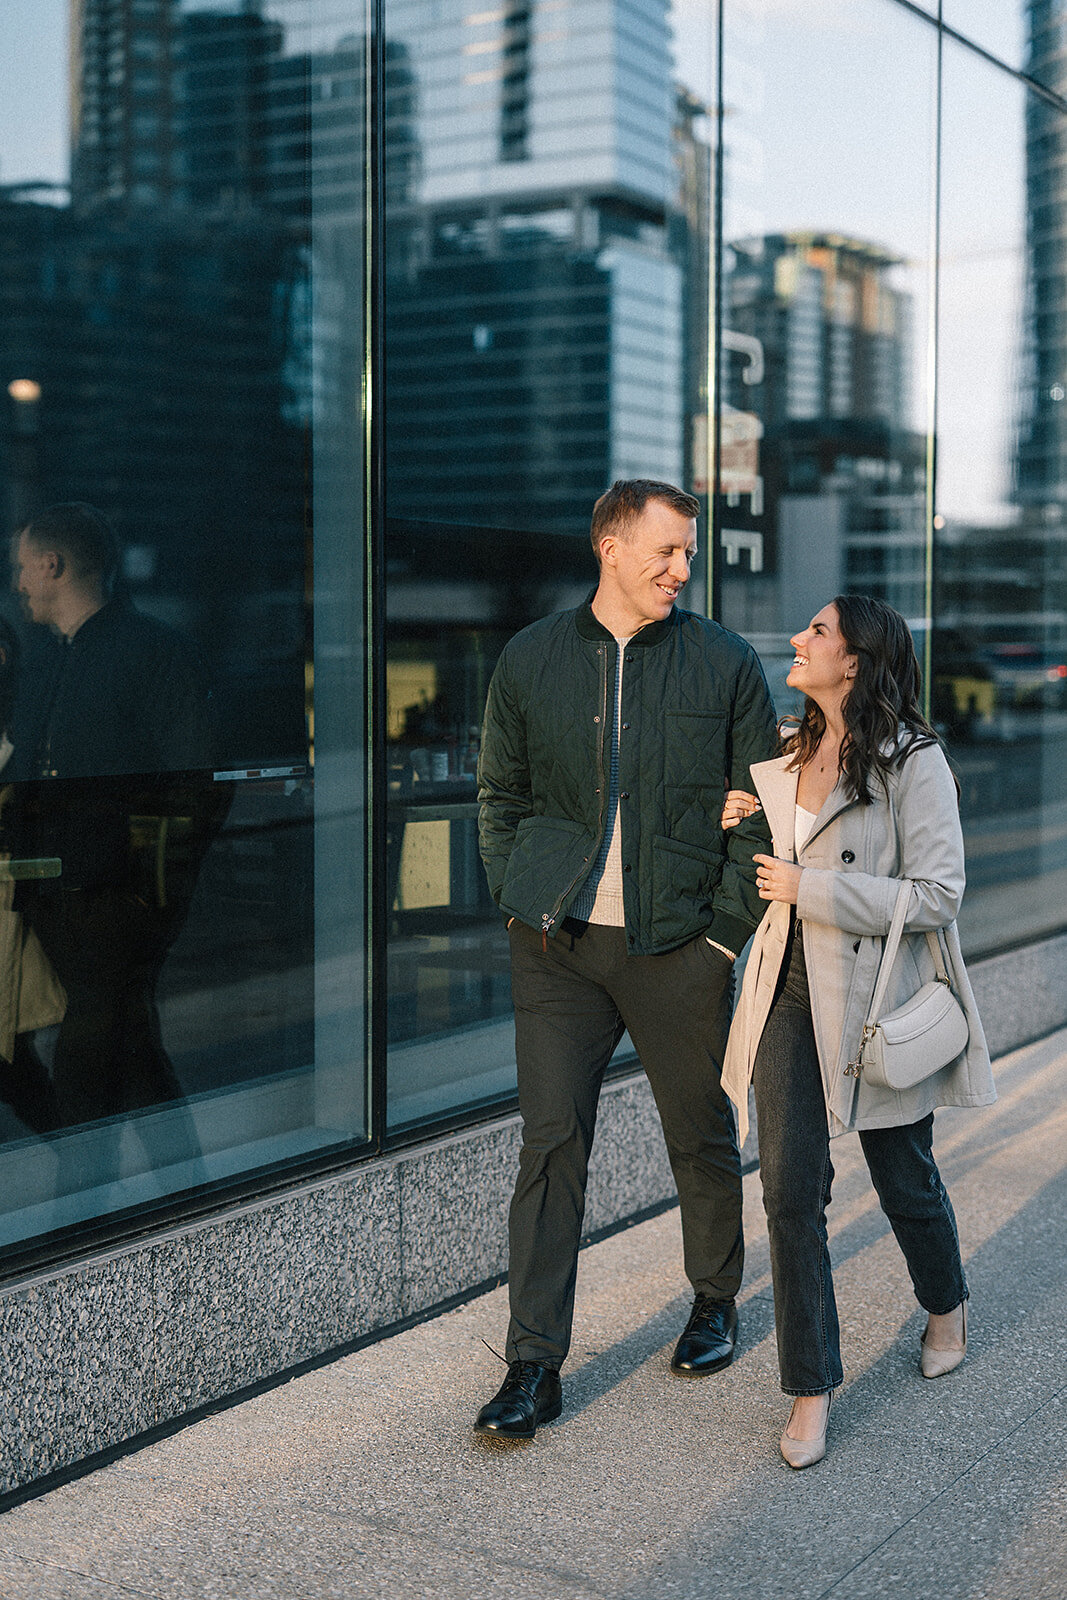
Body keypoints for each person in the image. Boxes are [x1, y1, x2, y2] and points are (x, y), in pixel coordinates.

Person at [474, 478, 778, 1440]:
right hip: (557, 947)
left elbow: (758, 806)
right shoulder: (529, 658)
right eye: (665, 551)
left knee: (696, 1131)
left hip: (677, 942)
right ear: (608, 545)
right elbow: (500, 794)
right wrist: (520, 903)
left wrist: (721, 935)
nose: (681, 570)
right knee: (550, 1145)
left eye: (689, 553)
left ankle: (712, 1300)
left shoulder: (723, 661)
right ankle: (532, 1365)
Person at [720, 595, 996, 1470]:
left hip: (873, 992)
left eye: (817, 632)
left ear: (857, 659)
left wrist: (814, 888)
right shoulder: (787, 745)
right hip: (785, 990)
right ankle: (810, 1386)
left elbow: (938, 895)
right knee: (787, 1191)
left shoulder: (914, 761)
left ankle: (944, 1299)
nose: (798, 641)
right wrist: (750, 816)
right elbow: (789, 848)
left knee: (901, 1174)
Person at [7, 502, 222, 1164]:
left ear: (52, 565)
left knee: (89, 1053)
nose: (17, 583)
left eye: (22, 567)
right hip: (60, 894)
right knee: (129, 1052)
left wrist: (150, 888)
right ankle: (187, 1202)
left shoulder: (154, 654)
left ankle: (84, 1214)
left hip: (113, 898)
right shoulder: (48, 663)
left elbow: (197, 785)